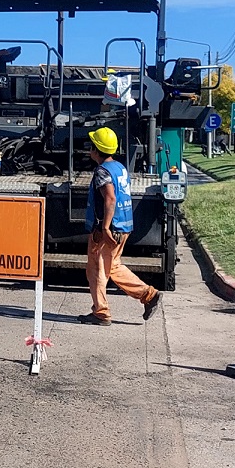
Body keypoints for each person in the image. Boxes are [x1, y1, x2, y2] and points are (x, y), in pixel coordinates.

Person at [77, 126, 161, 325]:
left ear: (96, 149)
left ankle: (101, 313)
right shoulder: (119, 167)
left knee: (98, 269)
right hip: (124, 225)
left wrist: (104, 228)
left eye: (91, 145)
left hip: (108, 229)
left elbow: (110, 198)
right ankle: (149, 295)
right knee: (111, 266)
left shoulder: (102, 171)